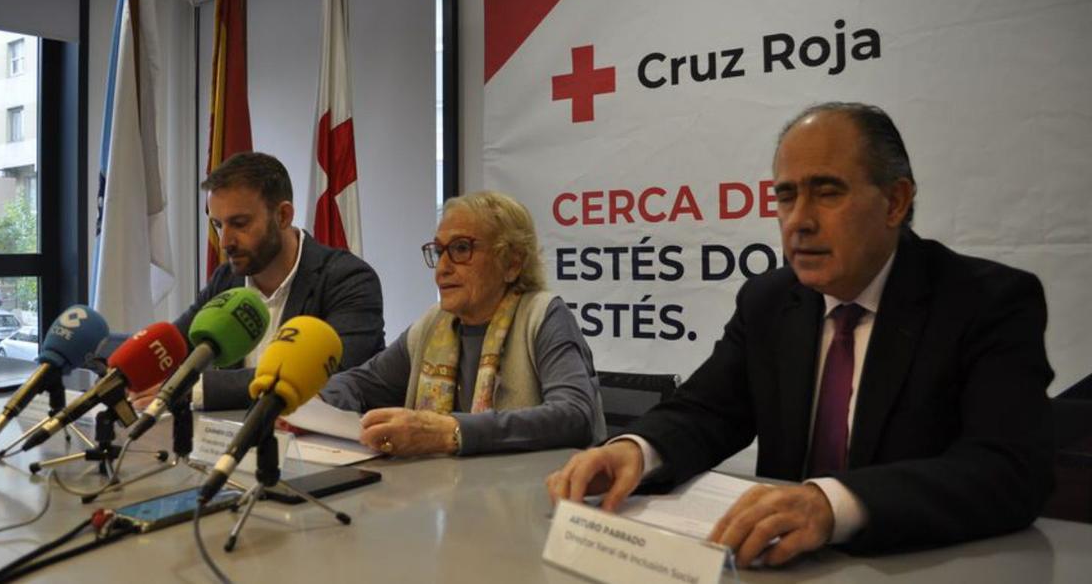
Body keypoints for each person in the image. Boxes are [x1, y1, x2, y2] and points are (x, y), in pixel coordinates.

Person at [547, 102, 1054, 565]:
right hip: (784, 571)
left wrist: (829, 505)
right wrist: (636, 450)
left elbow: (1008, 471)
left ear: (895, 202)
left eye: (827, 191)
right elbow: (707, 410)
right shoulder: (770, 301)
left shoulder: (986, 302)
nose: (799, 221)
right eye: (786, 196)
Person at [319, 191, 607, 457]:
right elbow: (358, 384)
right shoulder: (433, 325)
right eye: (439, 251)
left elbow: (575, 415)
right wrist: (299, 403)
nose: (443, 268)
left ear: (512, 263)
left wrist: (452, 432)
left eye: (460, 248)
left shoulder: (542, 315)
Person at [172, 152, 386, 411]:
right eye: (218, 225)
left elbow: (330, 376)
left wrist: (194, 389)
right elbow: (175, 346)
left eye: (239, 224)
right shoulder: (228, 279)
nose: (225, 242)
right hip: (234, 439)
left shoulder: (348, 280)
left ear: (283, 216)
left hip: (325, 447)